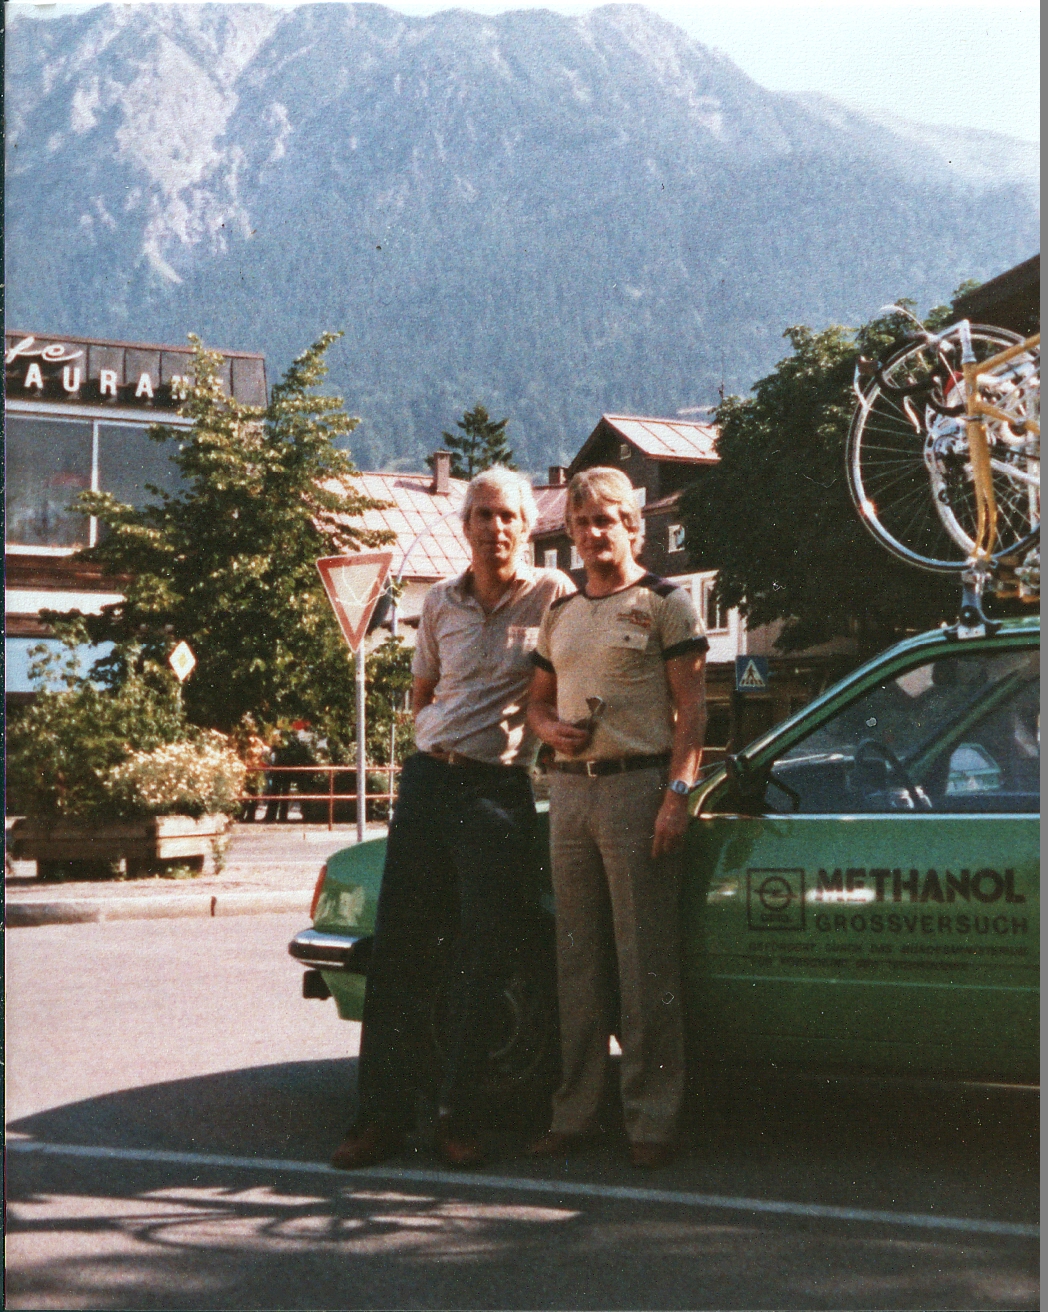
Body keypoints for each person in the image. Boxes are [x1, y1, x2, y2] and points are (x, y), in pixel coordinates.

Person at [331, 466, 575, 1171]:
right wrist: (442, 732)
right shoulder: (438, 601)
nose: (496, 528)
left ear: (526, 527)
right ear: (463, 525)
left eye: (508, 517)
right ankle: (378, 1118)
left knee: (482, 954)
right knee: (400, 950)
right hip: (430, 783)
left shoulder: (552, 594)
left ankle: (455, 1118)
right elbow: (422, 693)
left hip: (498, 792)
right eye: (483, 516)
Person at [526, 466, 707, 1168]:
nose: (595, 534)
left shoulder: (666, 603)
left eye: (607, 520)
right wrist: (547, 729)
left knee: (644, 962)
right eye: (582, 523)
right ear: (568, 534)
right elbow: (538, 700)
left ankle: (651, 1122)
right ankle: (574, 1114)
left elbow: (692, 713)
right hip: (570, 794)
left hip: (638, 793)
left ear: (633, 526)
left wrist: (678, 795)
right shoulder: (561, 612)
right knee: (576, 960)